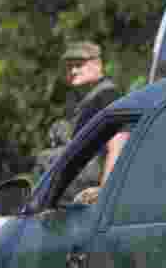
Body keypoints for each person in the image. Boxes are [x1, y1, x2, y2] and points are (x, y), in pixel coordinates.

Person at [34, 41, 123, 204]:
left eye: (79, 65)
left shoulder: (107, 96)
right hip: (79, 183)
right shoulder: (80, 99)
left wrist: (105, 192)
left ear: (97, 65)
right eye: (69, 67)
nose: (73, 71)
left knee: (46, 160)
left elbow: (118, 144)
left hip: (95, 183)